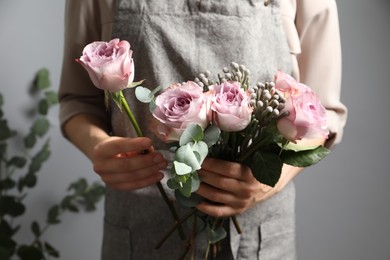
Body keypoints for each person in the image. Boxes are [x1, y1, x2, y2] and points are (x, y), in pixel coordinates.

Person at [59, 0, 347, 259]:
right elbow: (78, 100)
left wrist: (272, 178)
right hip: (141, 226)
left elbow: (324, 115)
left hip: (258, 236)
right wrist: (98, 146)